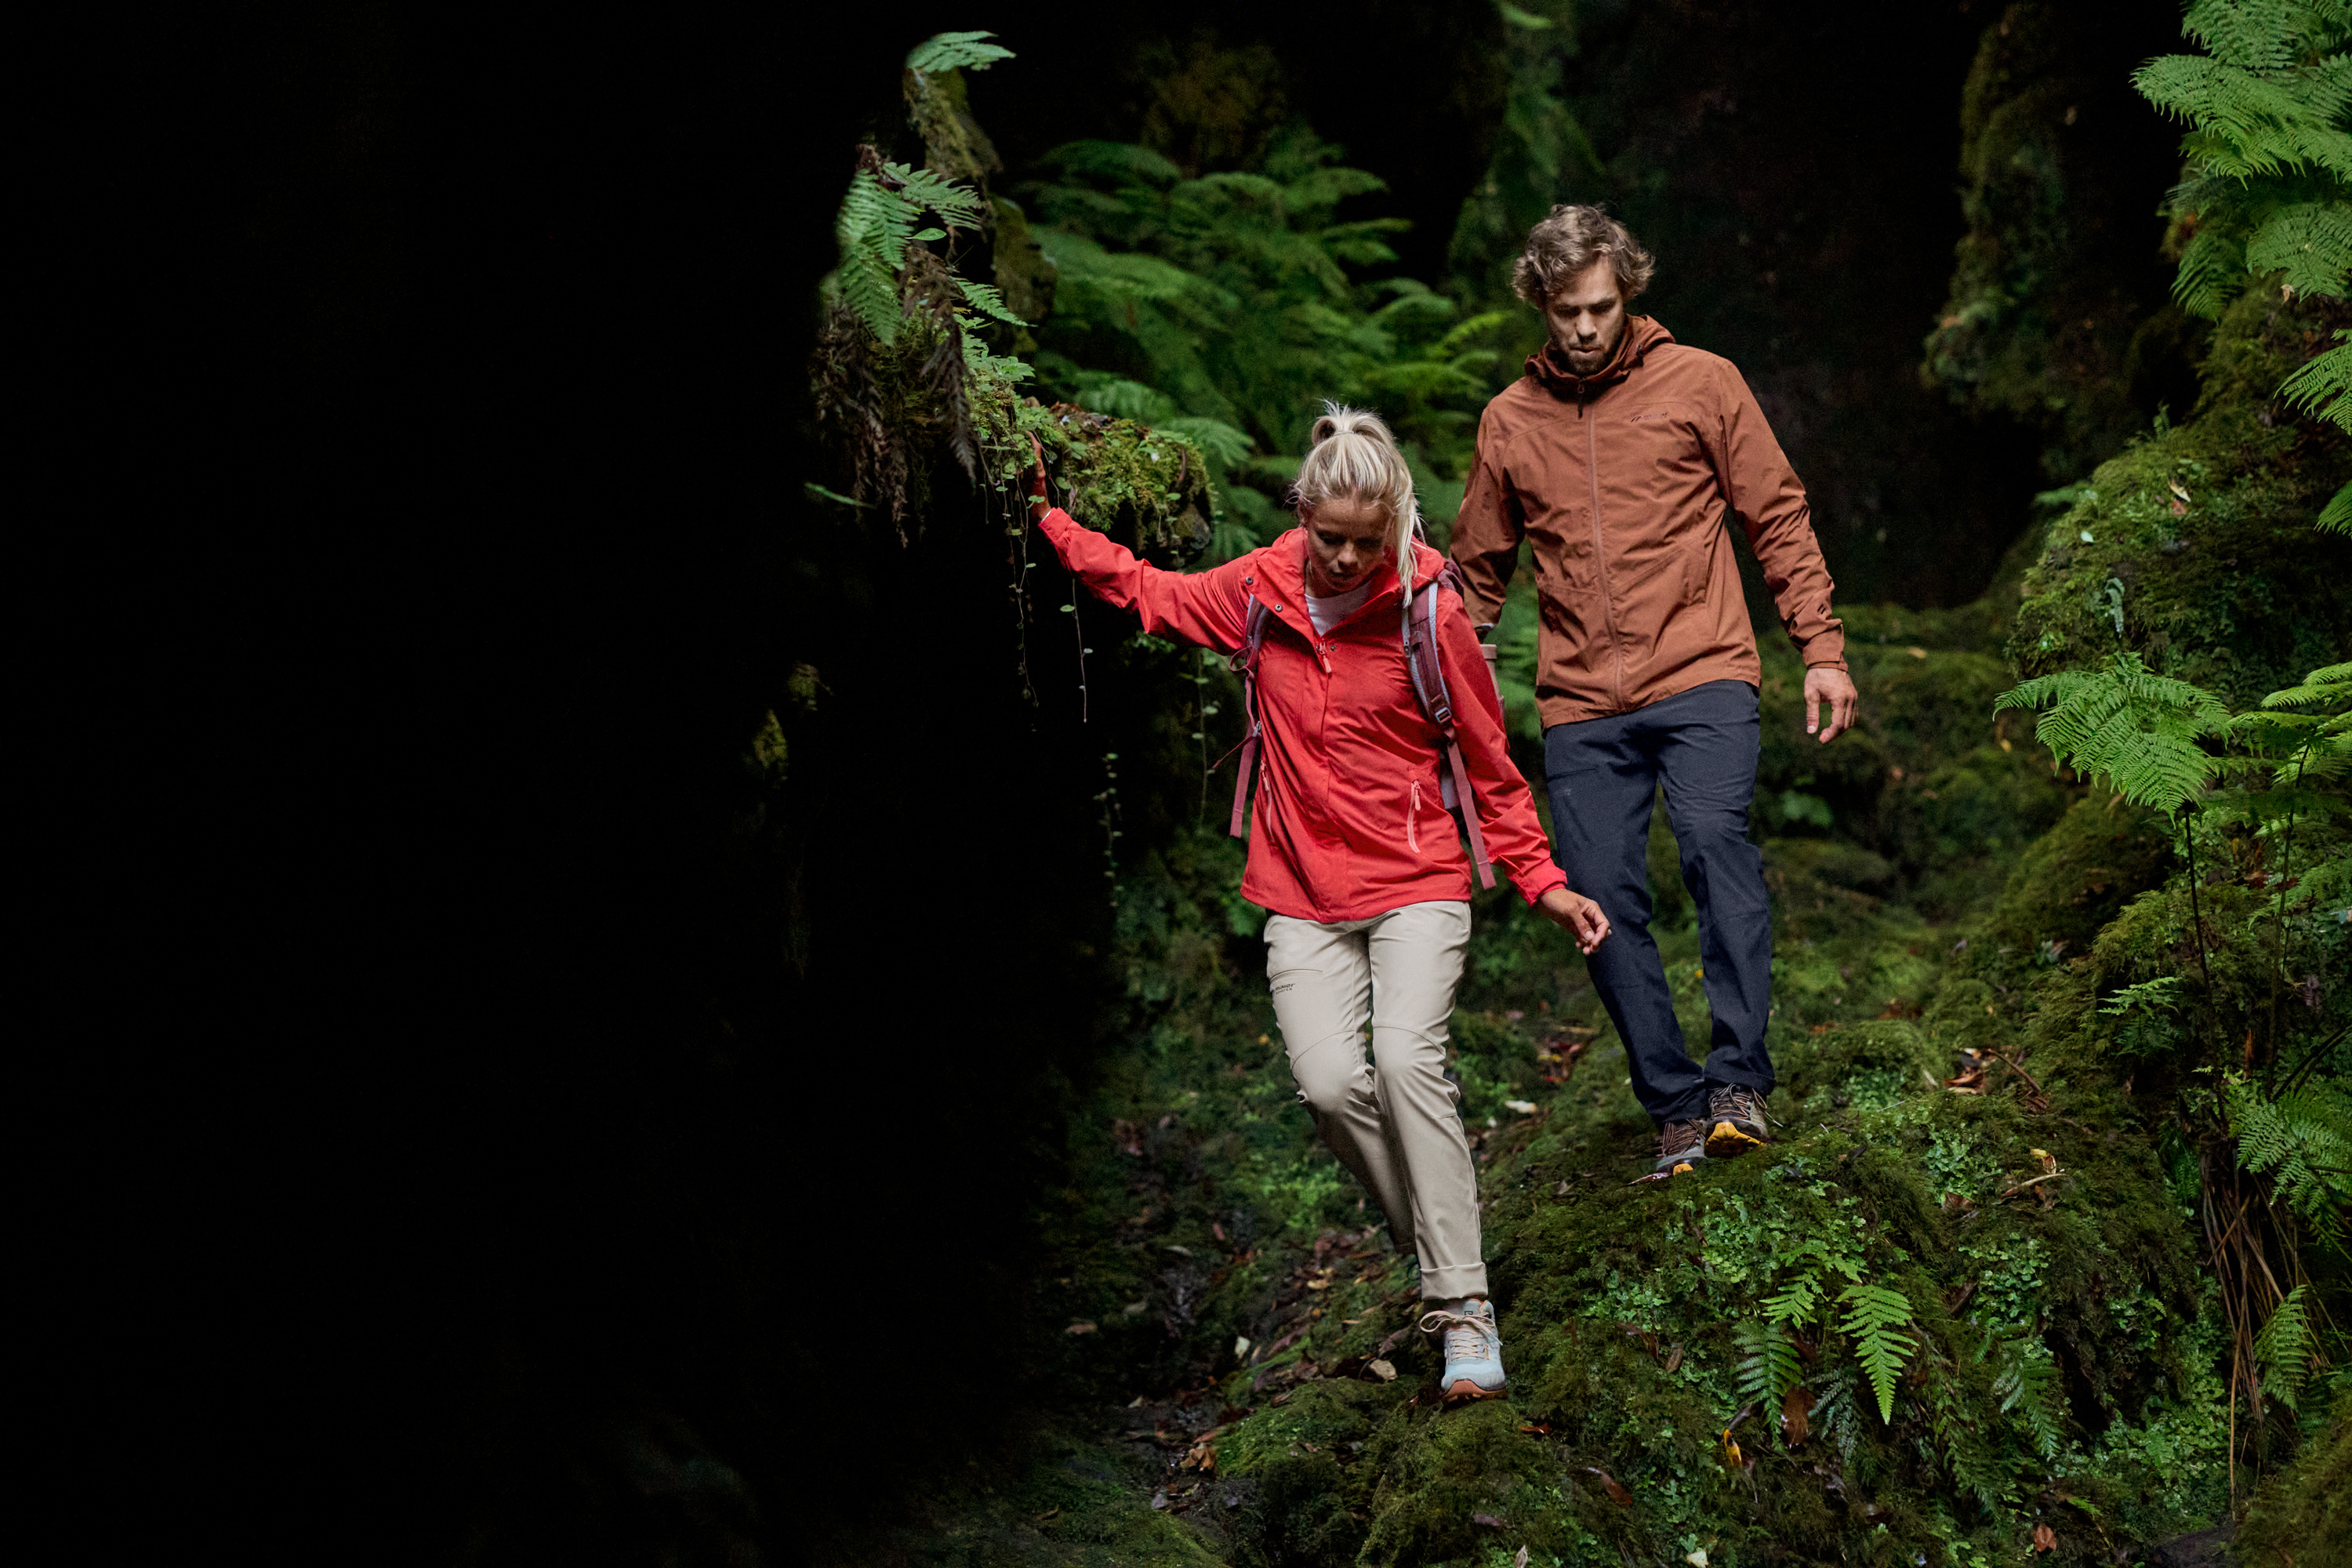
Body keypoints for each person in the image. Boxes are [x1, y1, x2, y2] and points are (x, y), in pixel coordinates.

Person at [1030, 406, 1610, 1403]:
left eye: (1363, 541)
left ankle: (1465, 1313)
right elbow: (1149, 594)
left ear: (1395, 525)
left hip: (1418, 877)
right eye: (1326, 536)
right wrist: (1051, 523)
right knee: (1333, 1084)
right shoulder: (1256, 588)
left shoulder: (1431, 613)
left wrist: (1543, 880)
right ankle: (1435, 1236)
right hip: (1299, 890)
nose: (1343, 559)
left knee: (1403, 1058)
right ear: (1301, 513)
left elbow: (1491, 763)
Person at [1450, 205, 1861, 1178]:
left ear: (1627, 292)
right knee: (1596, 897)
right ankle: (1674, 1104)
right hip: (1583, 702)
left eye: (1598, 308)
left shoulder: (1702, 382)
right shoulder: (1509, 422)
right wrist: (1445, 701)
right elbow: (1475, 577)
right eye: (1564, 313)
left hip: (1704, 668)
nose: (1584, 330)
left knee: (1717, 849)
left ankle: (1738, 1081)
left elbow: (1777, 512)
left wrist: (1821, 645)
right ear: (1539, 308)